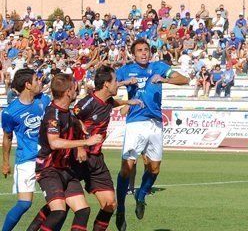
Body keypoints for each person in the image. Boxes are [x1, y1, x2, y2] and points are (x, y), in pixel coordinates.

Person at [32, 66, 142, 231]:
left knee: (108, 204)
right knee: (60, 207)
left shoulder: (107, 101)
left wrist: (127, 102)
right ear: (106, 84)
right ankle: (34, 227)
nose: (118, 84)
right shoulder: (85, 104)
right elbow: (73, 117)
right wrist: (82, 145)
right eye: (116, 81)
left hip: (95, 159)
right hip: (76, 158)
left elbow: (109, 104)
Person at [114, 39, 189, 231]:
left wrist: (164, 79)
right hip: (135, 124)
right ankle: (121, 208)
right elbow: (108, 87)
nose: (143, 53)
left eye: (146, 50)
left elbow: (184, 79)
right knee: (126, 168)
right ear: (133, 54)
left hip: (155, 124)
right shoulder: (125, 70)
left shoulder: (159, 67)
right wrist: (124, 84)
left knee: (154, 169)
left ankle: (141, 195)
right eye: (139, 50)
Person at [35, 73, 103, 231]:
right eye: (74, 88)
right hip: (48, 169)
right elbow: (54, 142)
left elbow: (74, 124)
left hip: (66, 169)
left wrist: (81, 132)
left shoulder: (67, 112)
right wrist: (85, 142)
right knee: (58, 212)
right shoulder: (53, 114)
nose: (77, 90)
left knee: (83, 211)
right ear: (68, 92)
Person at [1, 69, 50, 231]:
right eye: (36, 80)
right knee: (24, 204)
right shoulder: (10, 112)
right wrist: (5, 162)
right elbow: (7, 138)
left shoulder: (44, 100)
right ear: (28, 85)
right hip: (26, 161)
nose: (40, 82)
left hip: (47, 159)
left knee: (58, 202)